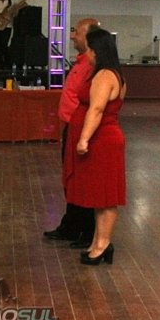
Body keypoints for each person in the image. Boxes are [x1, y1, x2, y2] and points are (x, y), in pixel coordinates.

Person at [63, 28, 126, 266]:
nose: (86, 54)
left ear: (96, 51)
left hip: (102, 141)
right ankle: (98, 241)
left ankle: (103, 244)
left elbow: (97, 109)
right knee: (99, 196)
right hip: (102, 139)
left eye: (88, 49)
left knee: (106, 196)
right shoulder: (108, 73)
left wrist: (84, 139)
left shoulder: (105, 76)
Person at [44, 18, 100, 249]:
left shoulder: (93, 66)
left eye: (76, 32)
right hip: (71, 127)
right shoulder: (81, 62)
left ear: (89, 37)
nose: (71, 36)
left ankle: (86, 230)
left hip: (81, 129)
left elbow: (94, 105)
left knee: (81, 180)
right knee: (71, 179)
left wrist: (83, 135)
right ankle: (72, 225)